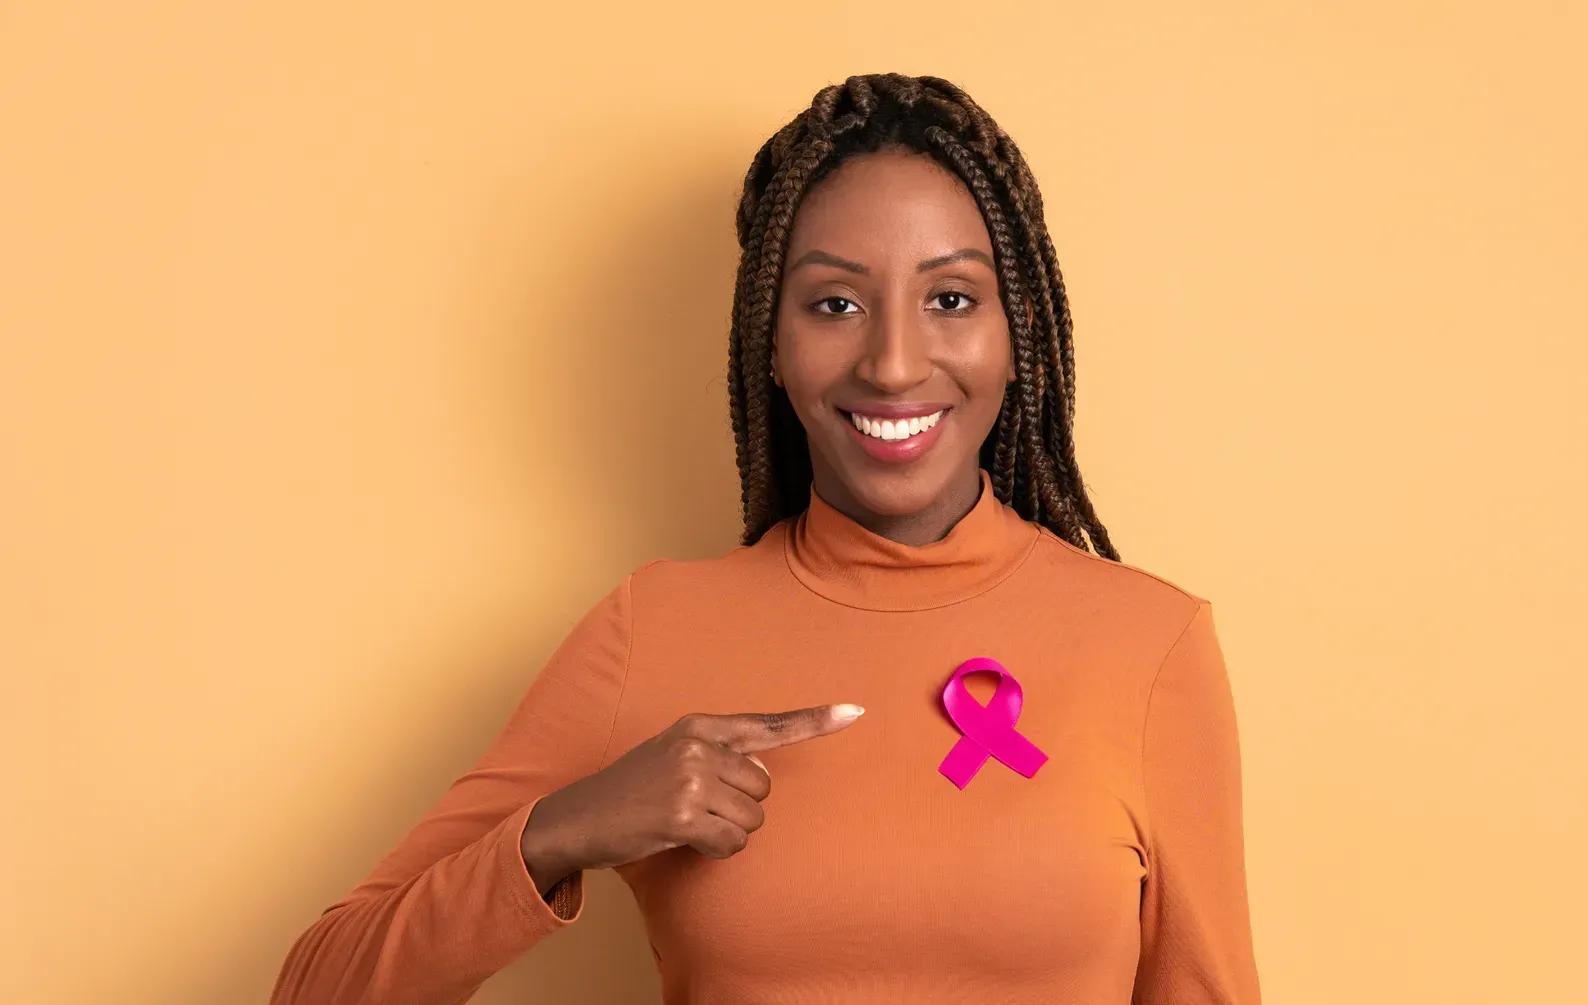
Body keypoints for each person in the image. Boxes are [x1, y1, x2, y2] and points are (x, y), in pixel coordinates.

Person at [271, 72, 1259, 1004]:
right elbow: (316, 986)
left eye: (950, 300)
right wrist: (558, 834)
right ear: (772, 346)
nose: (894, 362)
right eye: (835, 304)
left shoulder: (1152, 647)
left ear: (1019, 336)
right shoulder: (651, 632)